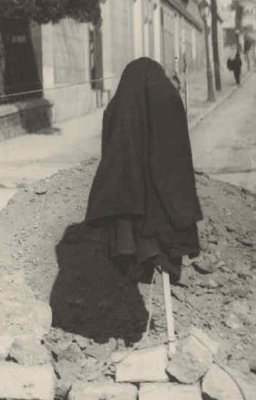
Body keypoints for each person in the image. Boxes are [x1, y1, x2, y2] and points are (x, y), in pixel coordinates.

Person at [85, 58, 202, 282]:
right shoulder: (168, 99)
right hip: (165, 211)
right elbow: (177, 163)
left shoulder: (119, 108)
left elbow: (113, 163)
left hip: (129, 213)